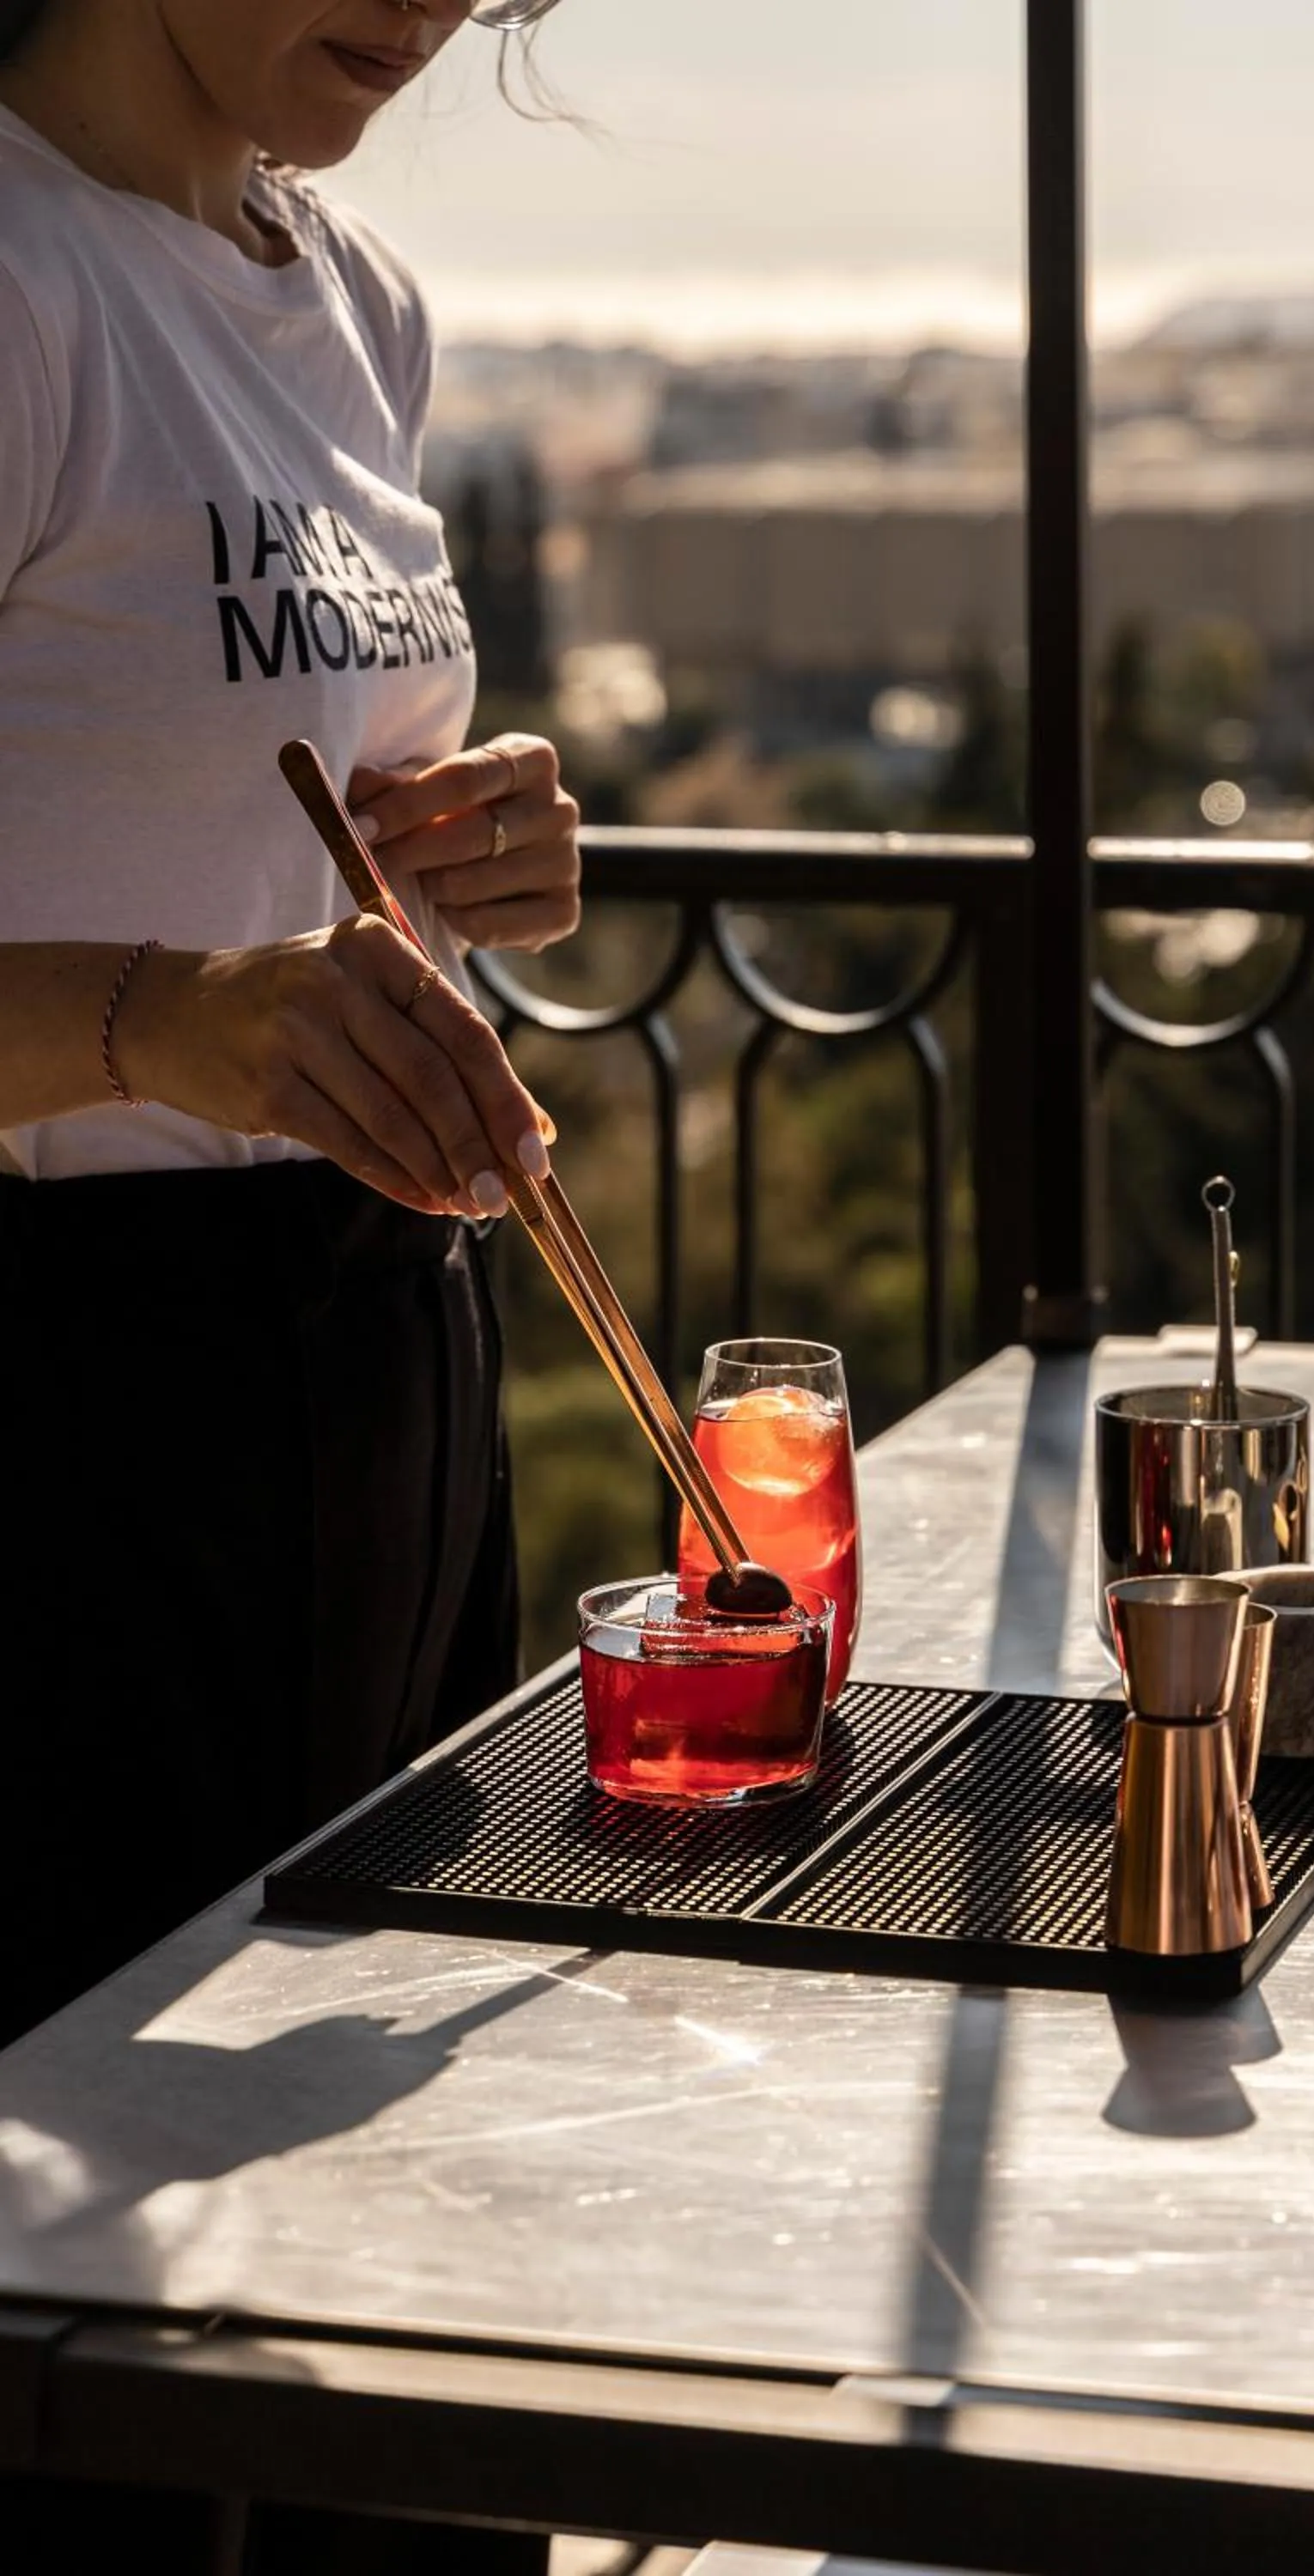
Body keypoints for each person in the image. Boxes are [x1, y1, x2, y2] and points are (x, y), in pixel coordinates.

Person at [0, 3, 581, 2567]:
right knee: (110, 2324)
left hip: (368, 1347)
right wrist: (178, 1020)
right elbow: (179, 959)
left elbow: (237, 792)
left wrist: (467, 849)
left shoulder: (350, 294)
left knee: (385, 2273)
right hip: (64, 1421)